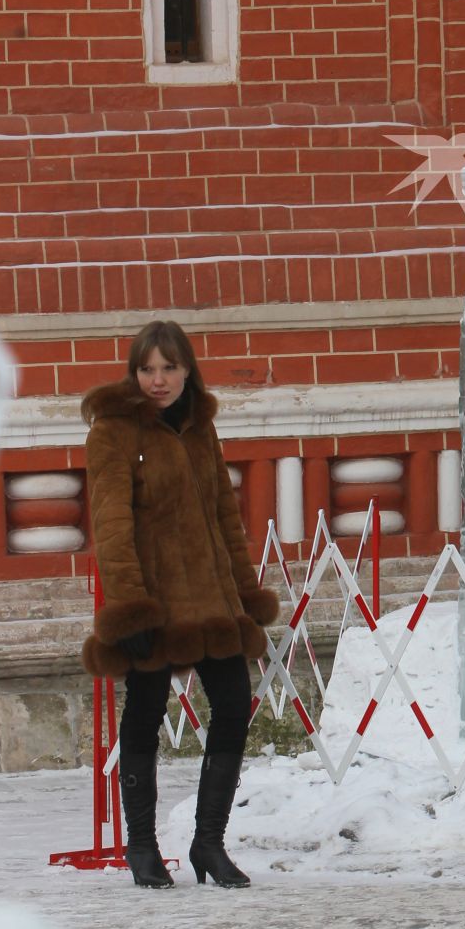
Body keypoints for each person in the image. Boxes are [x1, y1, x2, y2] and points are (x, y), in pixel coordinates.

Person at [80, 321, 279, 890]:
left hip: (211, 600)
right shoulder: (113, 431)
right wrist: (130, 608)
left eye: (169, 367)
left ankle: (208, 843)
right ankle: (141, 846)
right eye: (147, 368)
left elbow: (224, 518)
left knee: (234, 704)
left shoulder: (199, 426)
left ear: (187, 369)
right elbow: (111, 526)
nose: (158, 379)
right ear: (134, 372)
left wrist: (244, 594)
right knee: (144, 716)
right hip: (152, 601)